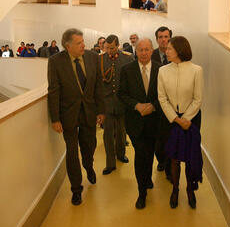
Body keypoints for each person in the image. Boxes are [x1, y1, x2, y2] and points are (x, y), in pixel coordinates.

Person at [48, 28, 105, 206]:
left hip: (89, 112)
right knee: (72, 153)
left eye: (83, 42)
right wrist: (55, 119)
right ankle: (76, 189)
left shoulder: (93, 57)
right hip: (68, 115)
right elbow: (54, 90)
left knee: (89, 146)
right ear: (68, 46)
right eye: (79, 43)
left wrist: (101, 111)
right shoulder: (55, 61)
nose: (83, 45)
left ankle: (89, 166)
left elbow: (98, 86)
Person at [158, 36, 203, 209]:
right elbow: (162, 98)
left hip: (191, 119)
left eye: (169, 48)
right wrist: (176, 119)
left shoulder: (196, 70)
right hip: (171, 119)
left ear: (179, 50)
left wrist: (186, 119)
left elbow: (198, 99)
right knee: (174, 158)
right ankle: (175, 189)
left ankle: (190, 189)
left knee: (190, 157)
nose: (166, 50)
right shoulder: (163, 71)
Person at [119, 38, 161, 209]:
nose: (144, 53)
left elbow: (166, 95)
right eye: (141, 50)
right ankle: (141, 191)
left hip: (154, 121)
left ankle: (148, 178)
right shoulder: (127, 70)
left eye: (147, 49)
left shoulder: (161, 69)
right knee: (140, 153)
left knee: (150, 153)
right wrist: (137, 106)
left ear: (152, 50)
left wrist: (153, 106)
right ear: (136, 51)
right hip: (135, 121)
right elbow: (122, 94)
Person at [100, 34, 133, 175]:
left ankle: (121, 154)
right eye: (107, 48)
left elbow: (131, 82)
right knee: (107, 134)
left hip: (122, 102)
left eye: (112, 48)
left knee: (121, 132)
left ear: (118, 46)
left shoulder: (127, 58)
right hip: (107, 103)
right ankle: (110, 163)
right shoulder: (100, 59)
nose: (109, 51)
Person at [152, 26, 173, 177]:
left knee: (170, 137)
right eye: (160, 37)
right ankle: (161, 159)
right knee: (158, 139)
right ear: (156, 39)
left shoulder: (176, 55)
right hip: (155, 103)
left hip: (173, 104)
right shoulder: (150, 55)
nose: (163, 39)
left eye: (166, 36)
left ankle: (169, 168)